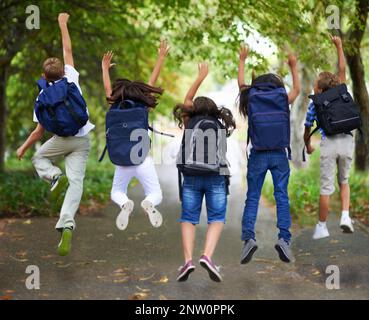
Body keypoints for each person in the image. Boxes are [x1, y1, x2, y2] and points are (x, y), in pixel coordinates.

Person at [16, 13, 94, 256]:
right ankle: (66, 223)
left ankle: (54, 177)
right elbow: (67, 49)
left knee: (39, 159)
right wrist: (62, 24)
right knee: (77, 183)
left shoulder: (41, 97)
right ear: (62, 71)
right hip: (81, 139)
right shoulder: (71, 78)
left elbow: (39, 131)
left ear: (43, 76)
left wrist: (24, 148)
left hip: (60, 140)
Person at [173, 63, 236, 282]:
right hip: (216, 176)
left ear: (193, 111)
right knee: (216, 218)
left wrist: (200, 77)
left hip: (191, 175)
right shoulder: (219, 125)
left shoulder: (190, 121)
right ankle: (207, 257)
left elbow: (187, 99)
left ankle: (188, 261)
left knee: (189, 218)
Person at [238, 44, 300, 264]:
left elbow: (241, 85)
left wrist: (242, 59)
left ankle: (248, 239)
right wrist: (293, 66)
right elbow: (297, 91)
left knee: (252, 197)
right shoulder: (282, 96)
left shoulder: (251, 97)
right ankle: (284, 239)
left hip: (258, 154)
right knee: (282, 196)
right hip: (279, 154)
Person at [101, 41, 169, 231]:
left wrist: (105, 68)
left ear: (117, 93)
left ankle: (124, 203)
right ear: (140, 94)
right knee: (155, 193)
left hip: (121, 160)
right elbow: (151, 83)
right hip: (141, 159)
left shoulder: (113, 106)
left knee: (117, 191)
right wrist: (161, 57)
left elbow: (108, 90)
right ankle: (149, 203)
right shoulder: (142, 107)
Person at [304, 35, 355, 240]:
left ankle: (322, 227)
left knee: (326, 187)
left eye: (316, 85)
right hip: (347, 141)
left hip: (329, 144)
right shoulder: (342, 91)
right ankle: (345, 216)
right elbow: (342, 70)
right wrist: (339, 46)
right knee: (344, 181)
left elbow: (307, 128)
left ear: (319, 88)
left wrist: (307, 145)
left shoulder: (314, 104)